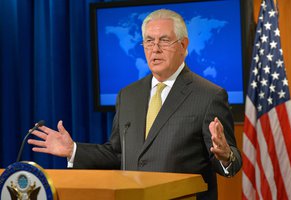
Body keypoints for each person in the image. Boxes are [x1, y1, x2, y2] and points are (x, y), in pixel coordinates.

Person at [28, 9, 242, 199]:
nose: (155, 48)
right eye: (149, 41)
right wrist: (72, 150)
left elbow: (231, 165)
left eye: (164, 40)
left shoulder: (209, 95)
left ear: (183, 45)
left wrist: (225, 155)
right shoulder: (127, 95)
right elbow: (116, 154)